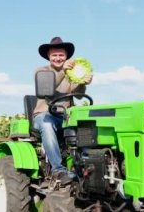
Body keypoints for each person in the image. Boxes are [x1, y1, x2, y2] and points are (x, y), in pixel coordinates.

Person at [33, 36, 93, 184]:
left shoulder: (72, 74)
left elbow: (78, 96)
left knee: (88, 126)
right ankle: (58, 170)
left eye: (61, 55)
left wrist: (83, 83)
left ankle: (87, 166)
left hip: (65, 117)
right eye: (54, 55)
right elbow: (47, 89)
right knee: (47, 124)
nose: (58, 58)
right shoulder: (41, 71)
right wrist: (63, 72)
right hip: (44, 116)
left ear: (66, 56)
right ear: (49, 56)